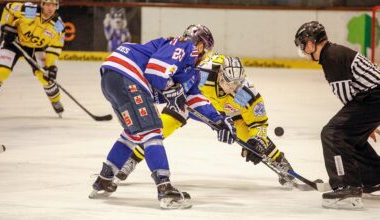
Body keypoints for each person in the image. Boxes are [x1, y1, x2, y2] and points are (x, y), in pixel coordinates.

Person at [90, 24, 236, 209]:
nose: (204, 56)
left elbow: (192, 99)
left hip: (112, 77)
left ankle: (104, 179)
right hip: (129, 76)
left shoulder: (188, 69)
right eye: (205, 51)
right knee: (153, 131)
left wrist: (218, 121)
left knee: (133, 132)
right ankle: (165, 188)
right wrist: (172, 91)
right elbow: (156, 71)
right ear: (200, 45)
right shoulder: (185, 46)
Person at [116, 54, 296, 189]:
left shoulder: (245, 94)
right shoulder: (202, 74)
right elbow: (178, 84)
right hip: (194, 104)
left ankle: (280, 162)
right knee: (159, 128)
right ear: (220, 75)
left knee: (251, 138)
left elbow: (259, 123)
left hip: (229, 116)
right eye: (228, 82)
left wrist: (256, 141)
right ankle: (130, 160)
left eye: (236, 84)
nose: (232, 88)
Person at [294, 21, 380, 209]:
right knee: (350, 136)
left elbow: (347, 97)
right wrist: (362, 123)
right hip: (373, 98)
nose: (303, 50)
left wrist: (363, 122)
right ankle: (374, 177)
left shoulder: (331, 57)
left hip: (373, 97)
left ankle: (347, 188)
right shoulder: (334, 52)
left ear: (310, 43)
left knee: (333, 134)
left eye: (302, 44)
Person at [0, 0, 65, 117]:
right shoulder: (29, 10)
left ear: (57, 7)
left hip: (36, 48)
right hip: (14, 42)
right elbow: (9, 7)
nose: (50, 8)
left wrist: (51, 66)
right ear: (42, 5)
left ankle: (55, 101)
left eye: (53, 5)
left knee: (45, 77)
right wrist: (7, 26)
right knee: (1, 72)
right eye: (48, 5)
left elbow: (55, 47)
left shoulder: (58, 26)